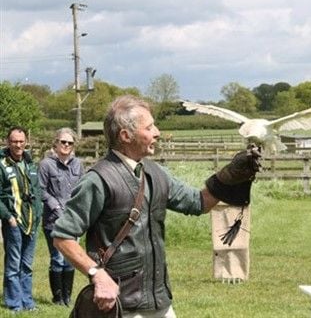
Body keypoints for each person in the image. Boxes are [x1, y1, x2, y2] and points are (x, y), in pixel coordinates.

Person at [52, 95, 261, 318]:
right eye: (150, 127)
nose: (157, 132)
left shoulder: (156, 174)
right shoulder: (97, 180)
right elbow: (63, 236)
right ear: (126, 135)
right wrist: (97, 274)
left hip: (160, 302)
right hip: (120, 306)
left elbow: (200, 202)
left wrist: (230, 174)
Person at [38, 128, 84, 306]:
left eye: (70, 143)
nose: (66, 145)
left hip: (73, 219)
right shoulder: (46, 165)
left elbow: (82, 188)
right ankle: (57, 298)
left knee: (70, 259)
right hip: (53, 220)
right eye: (63, 142)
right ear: (55, 143)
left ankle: (68, 297)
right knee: (57, 259)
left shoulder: (78, 164)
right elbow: (41, 190)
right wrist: (56, 207)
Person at [0, 126, 42, 312]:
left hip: (32, 222)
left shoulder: (31, 163)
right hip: (14, 222)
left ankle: (28, 302)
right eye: (14, 141)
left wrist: (39, 213)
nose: (18, 145)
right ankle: (14, 303)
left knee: (27, 265)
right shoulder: (2, 165)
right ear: (8, 142)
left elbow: (38, 191)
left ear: (26, 142)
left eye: (21, 141)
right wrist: (8, 217)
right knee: (13, 265)